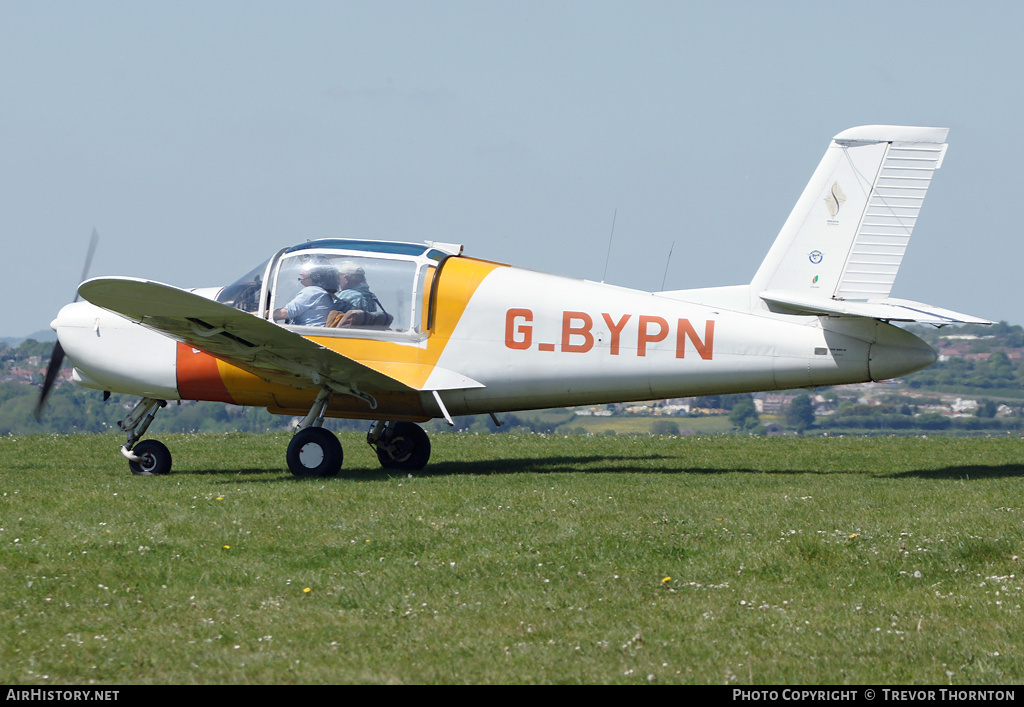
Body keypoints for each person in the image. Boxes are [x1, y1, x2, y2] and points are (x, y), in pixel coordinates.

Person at [273, 264, 338, 326]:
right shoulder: (321, 293)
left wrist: (266, 313)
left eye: (305, 271)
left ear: (315, 275)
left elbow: (284, 313)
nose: (301, 273)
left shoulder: (312, 291)